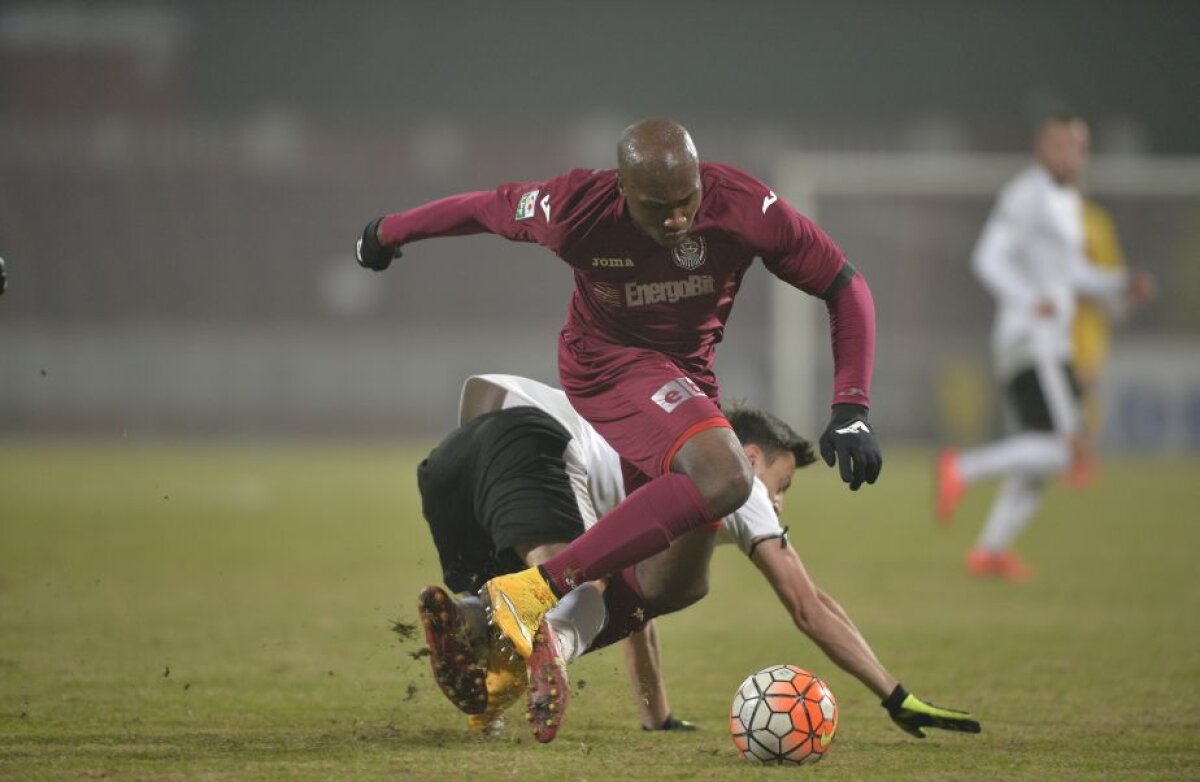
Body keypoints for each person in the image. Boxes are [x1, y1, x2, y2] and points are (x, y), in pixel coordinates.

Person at [357, 120, 883, 739]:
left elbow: (845, 286)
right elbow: (486, 208)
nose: (678, 219)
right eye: (658, 208)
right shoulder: (576, 208)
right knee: (726, 477)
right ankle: (531, 594)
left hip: (686, 382)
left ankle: (496, 641)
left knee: (673, 581)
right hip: (605, 365)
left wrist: (851, 406)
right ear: (623, 191)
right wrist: (389, 230)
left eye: (687, 200)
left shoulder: (743, 205)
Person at [415, 374, 980, 741]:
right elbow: (809, 606)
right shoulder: (733, 475)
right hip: (534, 444)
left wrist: (656, 716)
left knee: (520, 596)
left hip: (457, 460)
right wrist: (894, 693)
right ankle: (553, 655)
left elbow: (641, 614)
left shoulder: (662, 454)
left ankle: (466, 624)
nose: (777, 503)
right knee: (589, 583)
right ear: (752, 455)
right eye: (782, 484)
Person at [935, 114, 1155, 581]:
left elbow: (1071, 274)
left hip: (1053, 341)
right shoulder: (1027, 193)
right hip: (1029, 339)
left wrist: (1119, 283)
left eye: (1080, 145)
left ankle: (991, 549)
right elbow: (987, 258)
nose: (1073, 153)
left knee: (1043, 453)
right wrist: (1027, 299)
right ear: (1041, 148)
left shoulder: (1067, 200)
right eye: (1064, 144)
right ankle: (963, 468)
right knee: (1063, 448)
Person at [1063, 197, 1128, 487]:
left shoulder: (1097, 222)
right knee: (1062, 389)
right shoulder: (1048, 218)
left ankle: (1082, 457)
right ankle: (1067, 454)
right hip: (1058, 319)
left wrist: (1111, 299)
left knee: (1084, 385)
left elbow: (1111, 269)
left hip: (1087, 321)